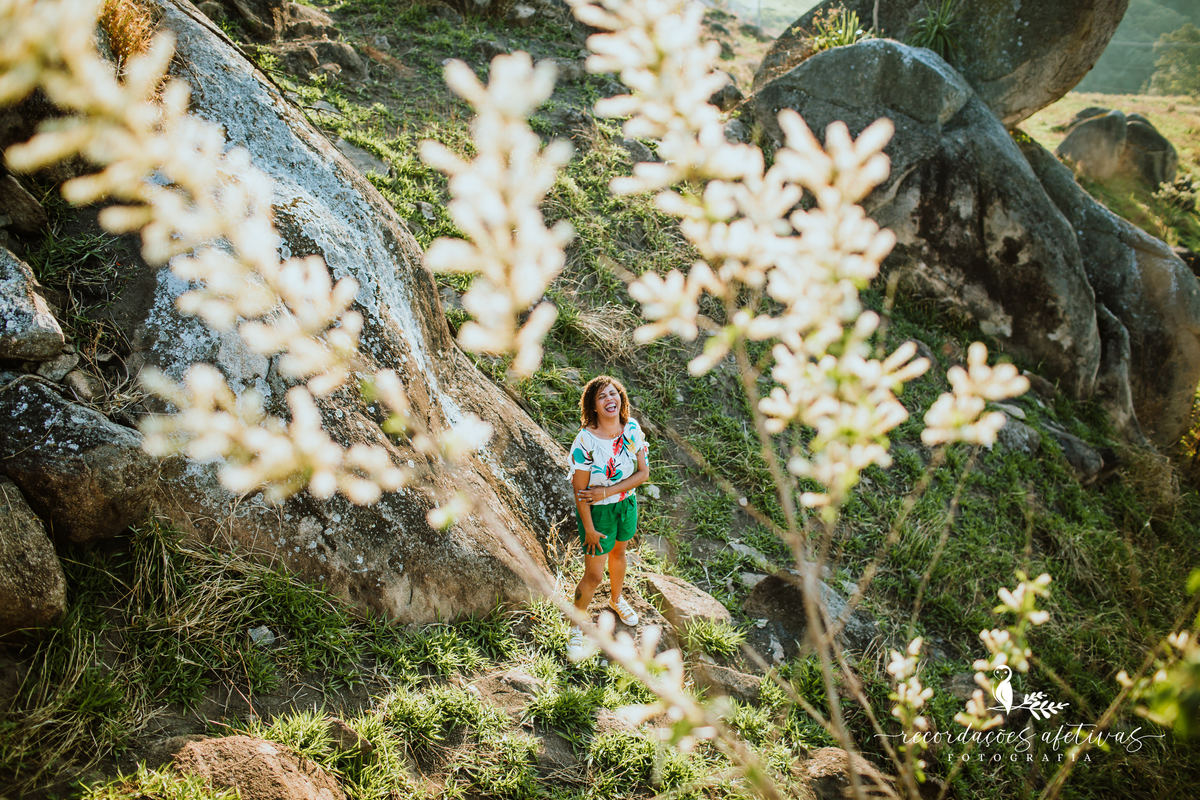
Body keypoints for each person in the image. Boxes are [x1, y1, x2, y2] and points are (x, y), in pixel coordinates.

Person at [565, 375, 650, 658]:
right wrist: (589, 529)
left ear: (621, 398)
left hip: (626, 505)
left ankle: (616, 599)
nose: (609, 399)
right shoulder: (585, 441)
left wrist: (607, 491)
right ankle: (576, 626)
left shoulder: (632, 429)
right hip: (598, 514)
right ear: (593, 406)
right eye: (602, 396)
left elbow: (643, 473)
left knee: (619, 554)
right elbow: (580, 492)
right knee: (593, 576)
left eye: (613, 393)